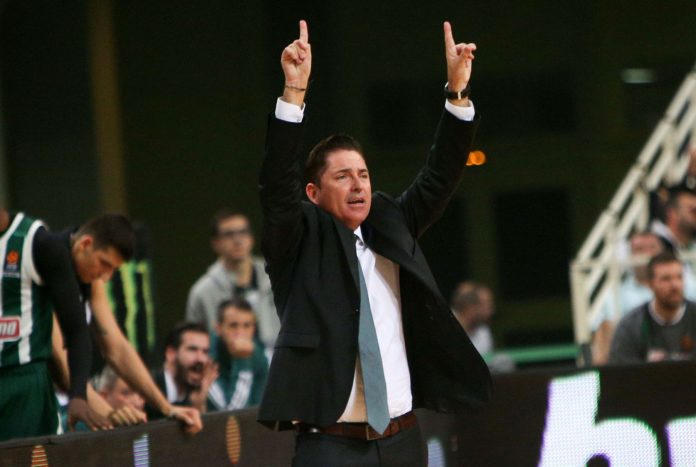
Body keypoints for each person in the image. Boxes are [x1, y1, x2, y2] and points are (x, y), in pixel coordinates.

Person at [257, 21, 491, 466]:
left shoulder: (390, 225)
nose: (358, 185)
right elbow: (276, 188)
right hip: (330, 446)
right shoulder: (297, 242)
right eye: (343, 177)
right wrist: (293, 93)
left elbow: (439, 178)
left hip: (402, 439)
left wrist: (457, 96)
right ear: (313, 193)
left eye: (363, 175)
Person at [48, 215, 203, 434]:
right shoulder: (49, 263)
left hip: (66, 394)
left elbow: (117, 347)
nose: (106, 277)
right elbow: (62, 365)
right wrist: (111, 415)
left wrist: (166, 407)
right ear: (85, 245)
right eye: (105, 264)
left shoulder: (91, 276)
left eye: (113, 269)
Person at [0, 209, 110, 441]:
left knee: (28, 456)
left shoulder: (37, 242)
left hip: (24, 382)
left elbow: (76, 329)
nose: (106, 275)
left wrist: (78, 394)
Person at [186, 209, 279, 354]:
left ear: (252, 238)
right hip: (227, 363)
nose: (238, 240)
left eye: (243, 232)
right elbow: (192, 341)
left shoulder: (276, 277)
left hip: (277, 360)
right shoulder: (203, 292)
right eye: (229, 234)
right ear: (216, 243)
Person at [591, 231, 664, 364]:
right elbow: (603, 337)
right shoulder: (615, 294)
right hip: (634, 361)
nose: (647, 254)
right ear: (630, 256)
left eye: (652, 248)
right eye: (640, 249)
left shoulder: (688, 284)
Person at [609, 252, 696, 364]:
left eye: (679, 277)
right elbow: (620, 371)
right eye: (666, 279)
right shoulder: (631, 326)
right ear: (650, 284)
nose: (675, 285)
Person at [145, 322, 217, 420]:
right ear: (171, 353)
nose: (201, 359)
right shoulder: (147, 388)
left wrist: (199, 403)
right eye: (192, 349)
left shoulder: (199, 393)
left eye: (205, 352)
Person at [207, 298, 269, 411]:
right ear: (218, 329)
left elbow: (259, 409)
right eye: (233, 326)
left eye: (247, 326)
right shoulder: (206, 354)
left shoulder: (259, 355)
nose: (240, 333)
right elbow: (232, 413)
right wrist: (242, 360)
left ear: (254, 329)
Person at [450, 281, 495, 355]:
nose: (491, 311)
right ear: (471, 307)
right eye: (484, 305)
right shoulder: (444, 323)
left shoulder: (484, 332)